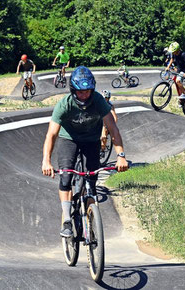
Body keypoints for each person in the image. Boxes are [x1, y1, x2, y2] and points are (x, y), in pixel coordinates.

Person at [41, 66, 128, 238]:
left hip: (91, 141)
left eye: (88, 91)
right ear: (73, 90)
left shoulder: (98, 101)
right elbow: (51, 134)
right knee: (66, 176)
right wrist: (46, 160)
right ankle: (67, 220)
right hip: (69, 139)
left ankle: (91, 219)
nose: (84, 95)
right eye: (80, 92)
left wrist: (121, 156)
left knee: (91, 182)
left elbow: (113, 128)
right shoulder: (64, 104)